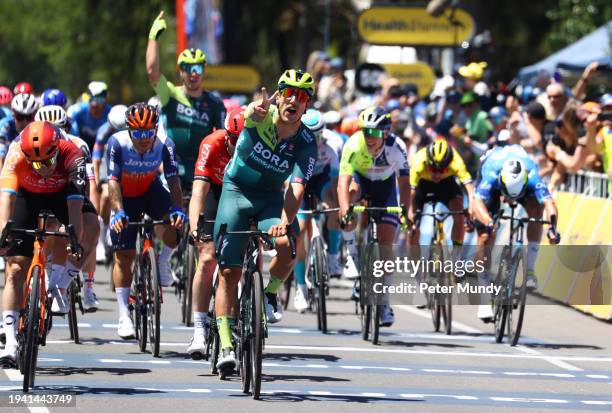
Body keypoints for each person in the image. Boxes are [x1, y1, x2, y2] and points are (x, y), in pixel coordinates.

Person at [212, 69, 318, 373]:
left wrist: (284, 221)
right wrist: (252, 112)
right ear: (279, 95)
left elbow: (296, 187)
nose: (294, 100)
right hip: (237, 191)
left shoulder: (306, 142)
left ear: (307, 105)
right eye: (288, 93)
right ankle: (225, 345)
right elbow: (249, 115)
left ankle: (269, 294)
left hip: (270, 197)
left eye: (302, 96)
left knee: (287, 246)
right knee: (230, 271)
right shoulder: (261, 114)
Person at [0, 121, 98, 366]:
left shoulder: (72, 155)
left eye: (46, 162)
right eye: (35, 163)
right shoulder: (15, 154)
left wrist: (74, 237)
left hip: (62, 193)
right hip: (27, 195)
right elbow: (6, 200)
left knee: (91, 227)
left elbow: (75, 208)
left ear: (57, 150)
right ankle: (10, 342)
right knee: (14, 269)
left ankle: (60, 285)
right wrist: (4, 230)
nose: (41, 168)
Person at [107, 103, 185, 339]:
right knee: (124, 256)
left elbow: (173, 181)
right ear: (129, 130)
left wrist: (178, 209)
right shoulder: (117, 143)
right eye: (138, 133)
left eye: (148, 133)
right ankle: (124, 314)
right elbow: (112, 182)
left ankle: (162, 262)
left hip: (150, 191)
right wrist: (118, 211)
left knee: (176, 227)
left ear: (155, 129)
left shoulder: (164, 144)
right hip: (125, 197)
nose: (144, 138)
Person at [338, 106, 410, 326]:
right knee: (349, 195)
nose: (370, 137)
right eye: (366, 131)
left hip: (385, 187)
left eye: (375, 133)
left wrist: (406, 211)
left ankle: (385, 302)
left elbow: (405, 184)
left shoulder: (397, 147)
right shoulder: (353, 144)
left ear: (386, 133)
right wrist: (344, 210)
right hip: (360, 181)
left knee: (387, 243)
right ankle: (351, 254)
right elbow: (342, 182)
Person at [472, 144, 560, 320]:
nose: (510, 200)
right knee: (484, 236)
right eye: (508, 195)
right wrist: (489, 222)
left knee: (536, 211)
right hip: (493, 183)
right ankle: (484, 299)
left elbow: (550, 203)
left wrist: (552, 228)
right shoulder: (492, 171)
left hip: (520, 184)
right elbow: (476, 202)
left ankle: (529, 271)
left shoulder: (532, 174)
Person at [186, 108, 244, 359]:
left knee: (247, 251)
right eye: (233, 140)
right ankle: (198, 330)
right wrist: (194, 227)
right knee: (208, 258)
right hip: (215, 191)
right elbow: (198, 191)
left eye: (243, 141)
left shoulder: (256, 146)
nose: (236, 147)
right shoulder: (212, 144)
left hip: (240, 193)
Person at [146, 11, 226, 190]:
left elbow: (223, 141)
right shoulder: (170, 94)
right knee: (170, 214)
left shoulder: (214, 103)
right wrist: (153, 38)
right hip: (172, 166)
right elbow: (152, 72)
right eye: (187, 68)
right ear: (180, 71)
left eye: (197, 67)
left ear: (204, 69)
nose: (193, 73)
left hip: (202, 168)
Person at [34, 105, 101, 312]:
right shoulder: (28, 141)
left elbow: (88, 183)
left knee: (87, 228)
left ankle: (60, 287)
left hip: (69, 190)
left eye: (59, 127)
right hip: (39, 190)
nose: (54, 133)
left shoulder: (79, 145)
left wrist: (85, 212)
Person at [293, 109, 343, 312]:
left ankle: (332, 257)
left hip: (321, 181)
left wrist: (334, 208)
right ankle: (301, 288)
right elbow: (288, 181)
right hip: (300, 182)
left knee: (333, 205)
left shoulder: (331, 147)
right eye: (311, 136)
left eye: (319, 135)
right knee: (300, 229)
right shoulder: (294, 145)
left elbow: (335, 183)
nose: (316, 140)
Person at [407, 137, 474, 265]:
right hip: (423, 185)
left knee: (459, 214)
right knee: (412, 226)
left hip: (447, 184)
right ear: (428, 163)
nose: (437, 174)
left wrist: (470, 208)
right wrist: (410, 213)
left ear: (448, 164)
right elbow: (410, 192)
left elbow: (470, 189)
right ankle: (414, 265)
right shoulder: (419, 160)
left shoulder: (456, 160)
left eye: (442, 170)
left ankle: (455, 258)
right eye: (433, 169)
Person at [92, 104, 128, 263]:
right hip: (108, 165)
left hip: (127, 165)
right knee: (106, 194)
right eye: (115, 130)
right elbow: (96, 161)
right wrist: (97, 181)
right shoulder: (103, 132)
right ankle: (101, 238)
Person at [0, 93, 39, 171]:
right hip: (13, 169)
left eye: (29, 117)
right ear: (13, 114)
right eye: (19, 117)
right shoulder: (7, 127)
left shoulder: (40, 129)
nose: (24, 122)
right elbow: (1, 158)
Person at [70, 81, 112, 151]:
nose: (94, 104)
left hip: (103, 149)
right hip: (80, 147)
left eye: (99, 100)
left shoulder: (111, 113)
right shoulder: (77, 111)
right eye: (91, 99)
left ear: (106, 100)